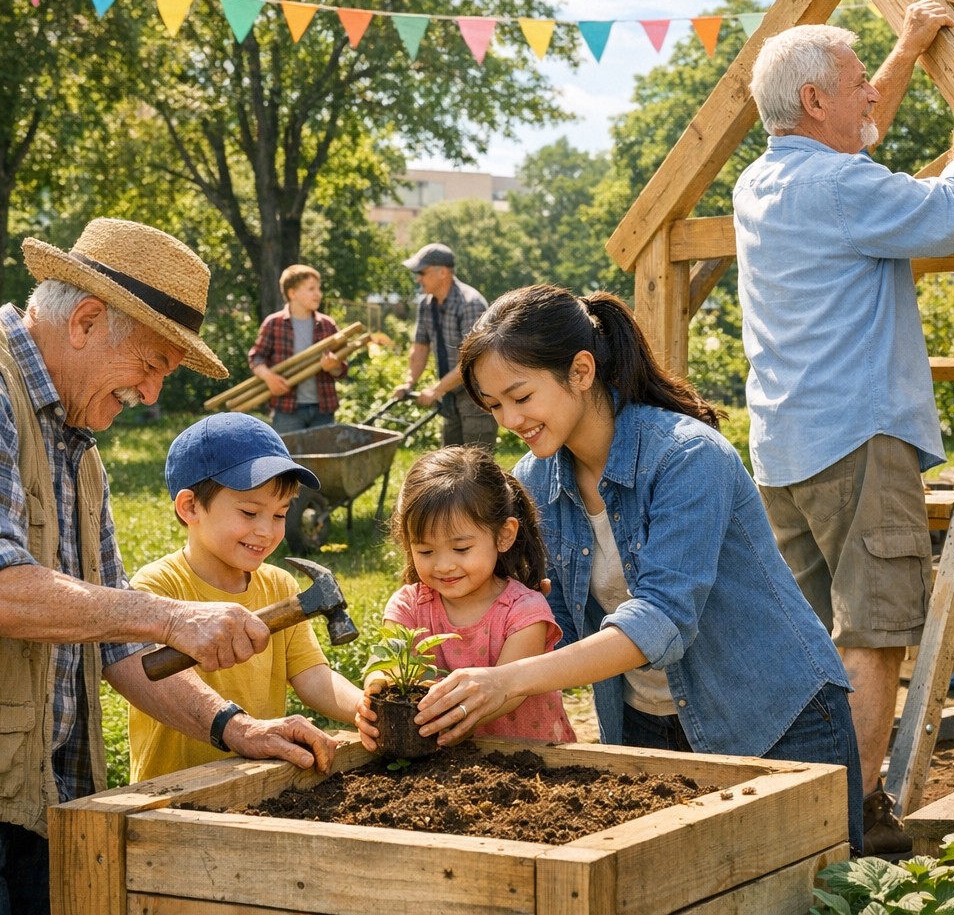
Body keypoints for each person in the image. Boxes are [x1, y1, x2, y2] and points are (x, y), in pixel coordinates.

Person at [357, 285, 863, 852]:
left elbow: (663, 618)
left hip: (772, 718)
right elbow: (548, 620)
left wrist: (504, 680)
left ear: (579, 371)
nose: (509, 420)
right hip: (645, 723)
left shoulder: (686, 456)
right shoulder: (539, 479)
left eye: (520, 396)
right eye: (494, 406)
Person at [731, 0, 954, 850]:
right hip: (857, 438)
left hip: (785, 447)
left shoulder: (765, 178)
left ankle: (801, 818)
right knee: (876, 635)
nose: (870, 98)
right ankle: (852, 826)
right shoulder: (842, 186)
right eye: (855, 85)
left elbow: (861, 129)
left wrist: (905, 46)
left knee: (815, 646)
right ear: (815, 101)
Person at [0, 219, 336, 911]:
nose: (151, 394)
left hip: (36, 793)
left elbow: (118, 638)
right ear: (87, 320)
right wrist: (171, 614)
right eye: (150, 365)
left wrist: (237, 728)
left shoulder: (78, 448)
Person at [128, 413, 364, 781]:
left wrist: (364, 708)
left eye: (280, 514)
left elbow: (312, 675)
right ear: (190, 507)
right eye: (250, 512)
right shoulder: (160, 589)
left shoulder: (279, 587)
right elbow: (147, 676)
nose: (266, 531)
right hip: (173, 786)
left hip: (254, 779)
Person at [364, 446, 574, 743]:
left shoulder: (524, 610)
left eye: (461, 549)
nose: (444, 565)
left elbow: (511, 693)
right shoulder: (409, 606)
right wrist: (376, 690)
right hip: (438, 758)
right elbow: (388, 663)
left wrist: (440, 723)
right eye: (425, 551)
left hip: (528, 757)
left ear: (504, 536)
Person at [392, 243, 498, 449]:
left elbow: (471, 361)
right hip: (451, 393)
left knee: (478, 464)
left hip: (476, 394)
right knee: (449, 461)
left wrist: (436, 390)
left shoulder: (470, 303)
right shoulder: (426, 304)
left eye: (422, 272)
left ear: (443, 272)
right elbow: (420, 348)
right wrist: (409, 382)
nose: (418, 278)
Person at [247, 264, 348, 434]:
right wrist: (269, 377)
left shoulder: (327, 325)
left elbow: (343, 368)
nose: (318, 294)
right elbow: (257, 357)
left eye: (319, 288)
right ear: (292, 293)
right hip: (287, 410)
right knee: (288, 458)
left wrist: (335, 367)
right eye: (311, 289)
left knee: (323, 459)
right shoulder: (274, 323)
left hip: (323, 409)